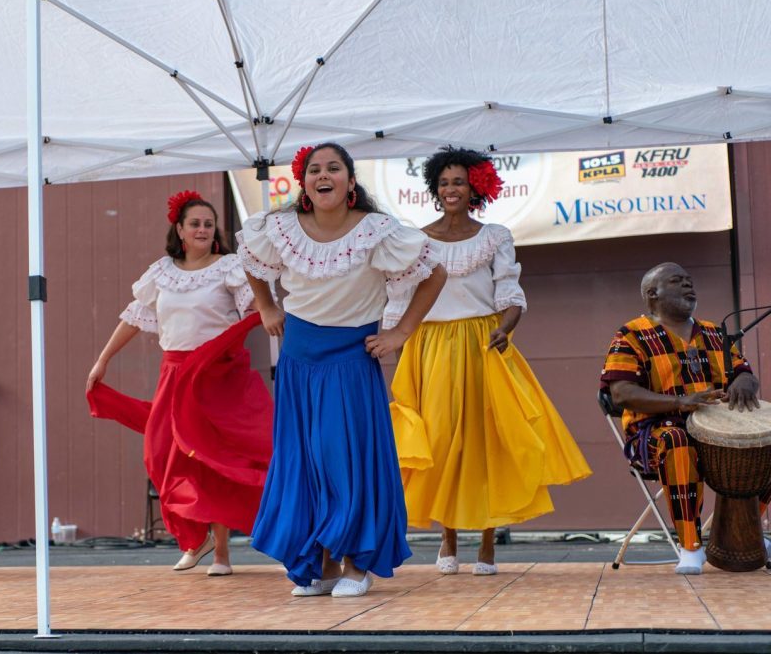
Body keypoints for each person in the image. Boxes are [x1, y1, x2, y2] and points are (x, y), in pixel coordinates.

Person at [238, 142, 448, 598]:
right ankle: (323, 566)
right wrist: (267, 306)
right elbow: (251, 262)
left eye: (334, 168)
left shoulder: (375, 230)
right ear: (305, 183)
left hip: (350, 360)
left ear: (351, 182)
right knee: (307, 463)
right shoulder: (281, 227)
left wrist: (400, 333)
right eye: (315, 170)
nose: (323, 175)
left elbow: (434, 273)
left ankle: (356, 566)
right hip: (297, 360)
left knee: (344, 462)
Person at [388, 147, 591, 576]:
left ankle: (486, 545)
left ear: (475, 186)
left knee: (485, 442)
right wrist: (393, 340)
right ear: (434, 188)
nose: (450, 189)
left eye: (458, 181)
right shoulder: (417, 239)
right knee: (440, 442)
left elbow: (510, 294)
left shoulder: (494, 235)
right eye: (443, 182)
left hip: (485, 342)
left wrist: (506, 327)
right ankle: (447, 539)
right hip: (430, 347)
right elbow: (401, 299)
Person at [86, 190, 272, 576]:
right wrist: (103, 359)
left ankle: (221, 552)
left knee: (212, 460)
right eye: (195, 224)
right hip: (174, 372)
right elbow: (135, 318)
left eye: (208, 223)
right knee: (160, 455)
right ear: (180, 230)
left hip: (215, 376)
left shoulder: (229, 267)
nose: (203, 229)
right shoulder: (162, 272)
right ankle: (196, 538)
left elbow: (256, 303)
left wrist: (271, 310)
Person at [601, 261, 765, 574]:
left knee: (766, 443)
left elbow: (742, 370)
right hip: (656, 431)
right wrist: (679, 402)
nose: (688, 285)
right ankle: (691, 546)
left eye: (690, 280)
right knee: (677, 440)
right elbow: (621, 393)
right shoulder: (631, 335)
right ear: (653, 294)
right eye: (677, 281)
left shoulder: (714, 332)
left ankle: (745, 535)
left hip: (717, 431)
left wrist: (745, 379)